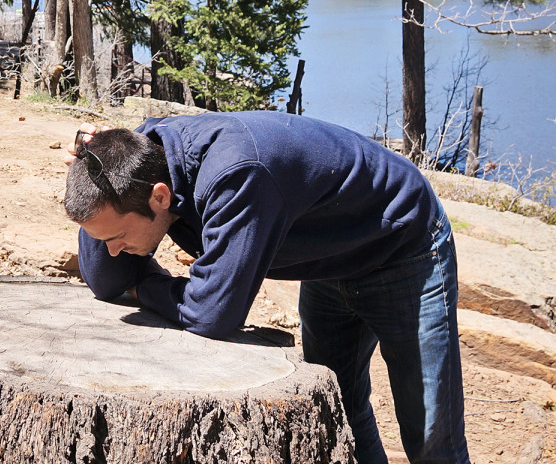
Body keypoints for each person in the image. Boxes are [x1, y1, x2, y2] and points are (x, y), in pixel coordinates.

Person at [63, 111, 471, 464]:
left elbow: (211, 314)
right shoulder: (134, 161)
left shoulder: (237, 174)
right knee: (342, 409)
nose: (114, 252)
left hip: (401, 246)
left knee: (430, 434)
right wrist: (86, 169)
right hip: (329, 257)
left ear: (160, 197)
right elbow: (105, 280)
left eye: (116, 237)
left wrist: (145, 287)